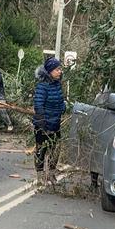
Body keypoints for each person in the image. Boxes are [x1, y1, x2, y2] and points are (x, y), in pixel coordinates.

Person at [33, 57, 66, 185]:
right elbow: (38, 104)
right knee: (41, 150)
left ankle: (51, 174)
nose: (60, 72)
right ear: (50, 71)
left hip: (55, 123)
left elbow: (60, 100)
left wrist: (63, 107)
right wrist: (41, 120)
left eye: (60, 69)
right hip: (44, 123)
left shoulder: (57, 84)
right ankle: (40, 176)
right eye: (57, 69)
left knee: (55, 150)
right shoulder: (42, 86)